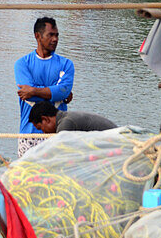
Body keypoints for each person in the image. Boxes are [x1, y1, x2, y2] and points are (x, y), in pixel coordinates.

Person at [14, 17, 74, 156]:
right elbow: (58, 93)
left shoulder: (66, 64)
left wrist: (34, 90)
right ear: (38, 36)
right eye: (50, 35)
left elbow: (63, 91)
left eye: (57, 35)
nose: (55, 39)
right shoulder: (22, 64)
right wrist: (54, 93)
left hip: (57, 134)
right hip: (29, 134)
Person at [28, 101, 116, 133]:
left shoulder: (65, 124)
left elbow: (60, 152)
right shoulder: (67, 118)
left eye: (41, 128)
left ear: (45, 119)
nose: (44, 133)